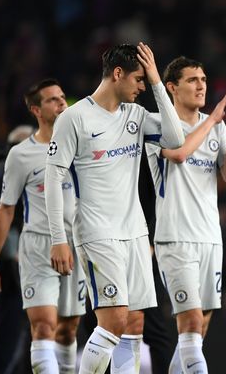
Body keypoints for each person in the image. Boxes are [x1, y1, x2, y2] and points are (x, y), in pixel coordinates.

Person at [45, 43, 185, 374]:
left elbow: (176, 138)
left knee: (135, 323)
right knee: (114, 320)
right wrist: (57, 238)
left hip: (135, 232)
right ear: (117, 74)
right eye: (138, 79)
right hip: (97, 233)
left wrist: (155, 81)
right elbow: (53, 178)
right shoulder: (74, 118)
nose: (141, 87)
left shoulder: (135, 116)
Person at [145, 56, 226, 374]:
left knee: (197, 332)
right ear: (171, 87)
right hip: (175, 238)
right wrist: (215, 119)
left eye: (203, 79)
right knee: (188, 324)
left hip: (209, 238)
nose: (201, 84)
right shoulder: (156, 122)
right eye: (192, 80)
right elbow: (181, 153)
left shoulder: (214, 126)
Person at [0, 79, 83, 374]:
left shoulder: (82, 147)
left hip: (76, 245)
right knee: (43, 326)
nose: (62, 103)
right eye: (53, 100)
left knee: (67, 330)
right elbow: (6, 209)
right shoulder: (21, 154)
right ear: (36, 110)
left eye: (63, 97)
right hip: (38, 246)